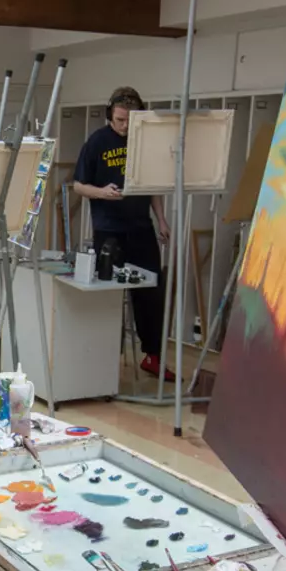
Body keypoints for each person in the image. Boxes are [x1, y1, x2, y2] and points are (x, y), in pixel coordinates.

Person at [73, 85, 175, 380]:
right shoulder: (97, 142)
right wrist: (102, 193)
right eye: (119, 120)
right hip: (109, 230)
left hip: (142, 228)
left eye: (129, 120)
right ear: (110, 116)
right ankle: (106, 360)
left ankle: (152, 356)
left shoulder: (144, 143)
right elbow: (79, 186)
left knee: (151, 292)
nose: (124, 125)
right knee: (108, 297)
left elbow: (152, 184)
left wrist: (162, 220)